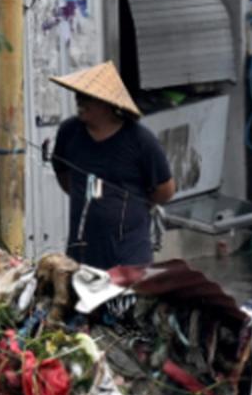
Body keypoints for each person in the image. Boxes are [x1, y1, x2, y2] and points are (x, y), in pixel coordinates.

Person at [49, 60, 174, 269]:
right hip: (81, 254)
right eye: (78, 95)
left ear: (107, 104)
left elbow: (165, 190)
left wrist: (134, 204)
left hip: (129, 256)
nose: (79, 101)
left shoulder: (140, 140)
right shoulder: (69, 132)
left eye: (87, 97)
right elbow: (63, 174)